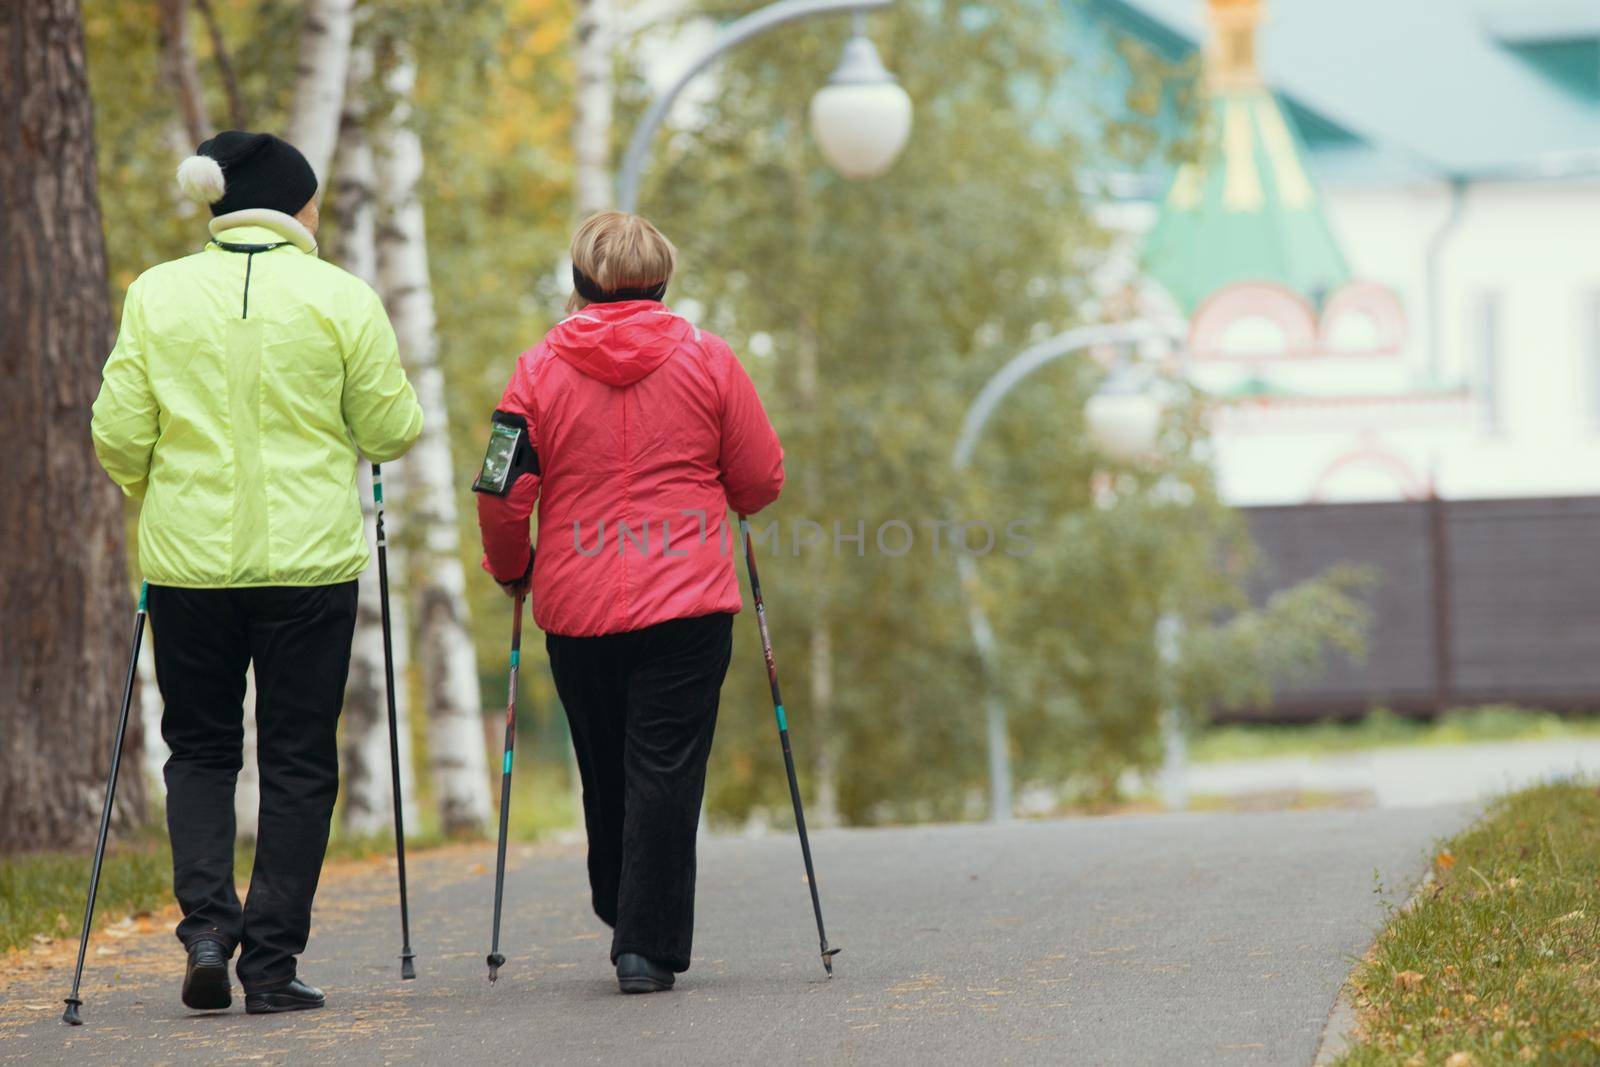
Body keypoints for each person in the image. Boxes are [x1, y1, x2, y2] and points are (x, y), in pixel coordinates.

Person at [90, 131, 423, 1015]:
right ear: (296, 206)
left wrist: (152, 485)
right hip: (309, 566)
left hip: (189, 566)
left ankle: (206, 926)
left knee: (198, 748)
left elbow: (118, 433)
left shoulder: (156, 294)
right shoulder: (341, 296)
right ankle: (270, 964)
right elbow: (390, 430)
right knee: (299, 759)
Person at [475, 211, 784, 993]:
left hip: (577, 609)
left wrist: (513, 566)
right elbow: (758, 480)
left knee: (605, 762)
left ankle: (622, 902)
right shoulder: (711, 360)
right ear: (664, 280)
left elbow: (501, 488)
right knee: (666, 767)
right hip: (687, 606)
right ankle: (643, 941)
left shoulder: (536, 370)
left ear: (580, 282)